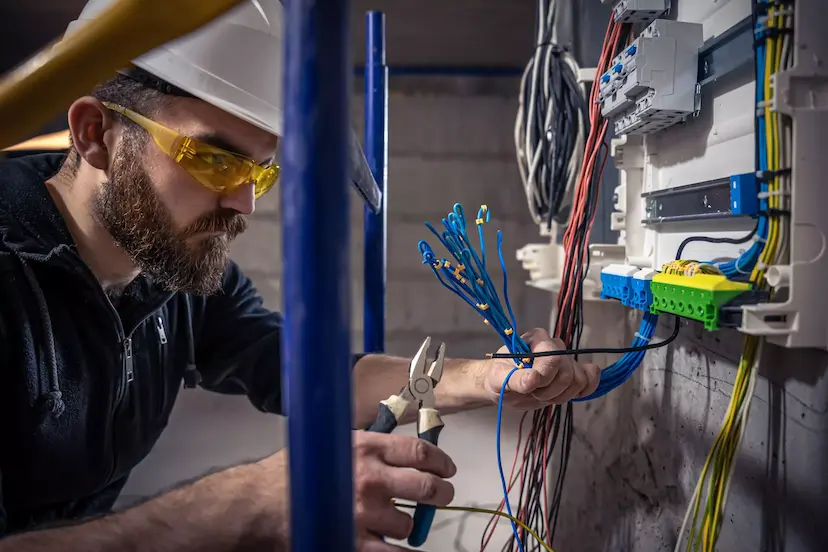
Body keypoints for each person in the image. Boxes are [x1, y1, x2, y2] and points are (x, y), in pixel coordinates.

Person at [0, 1, 601, 550]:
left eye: (261, 173)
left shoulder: (171, 275)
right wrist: (242, 504)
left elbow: (307, 373)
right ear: (95, 134)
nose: (245, 203)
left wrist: (490, 378)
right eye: (212, 159)